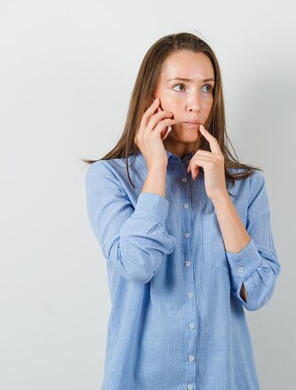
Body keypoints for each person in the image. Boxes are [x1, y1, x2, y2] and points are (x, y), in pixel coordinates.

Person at [83, 32, 281, 390]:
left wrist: (220, 196)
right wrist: (156, 169)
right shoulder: (109, 178)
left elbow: (259, 291)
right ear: (150, 97)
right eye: (180, 87)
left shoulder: (247, 186)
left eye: (207, 88)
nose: (196, 103)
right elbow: (136, 265)